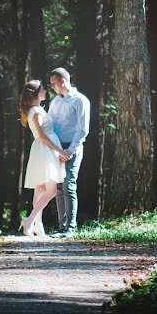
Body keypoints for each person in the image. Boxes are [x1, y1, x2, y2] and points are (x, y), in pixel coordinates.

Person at [18, 79, 70, 237]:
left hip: (44, 149)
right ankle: (30, 220)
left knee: (40, 189)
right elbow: (41, 134)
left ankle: (38, 226)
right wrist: (59, 150)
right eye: (42, 90)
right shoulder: (36, 111)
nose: (46, 92)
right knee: (51, 190)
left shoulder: (37, 109)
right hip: (45, 149)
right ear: (35, 93)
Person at [47, 67, 90, 237]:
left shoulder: (80, 101)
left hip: (72, 147)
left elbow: (83, 130)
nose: (52, 87)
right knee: (58, 186)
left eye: (54, 83)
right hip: (56, 147)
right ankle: (62, 227)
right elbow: (50, 123)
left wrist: (70, 150)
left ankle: (71, 228)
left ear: (63, 81)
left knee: (68, 185)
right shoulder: (56, 101)